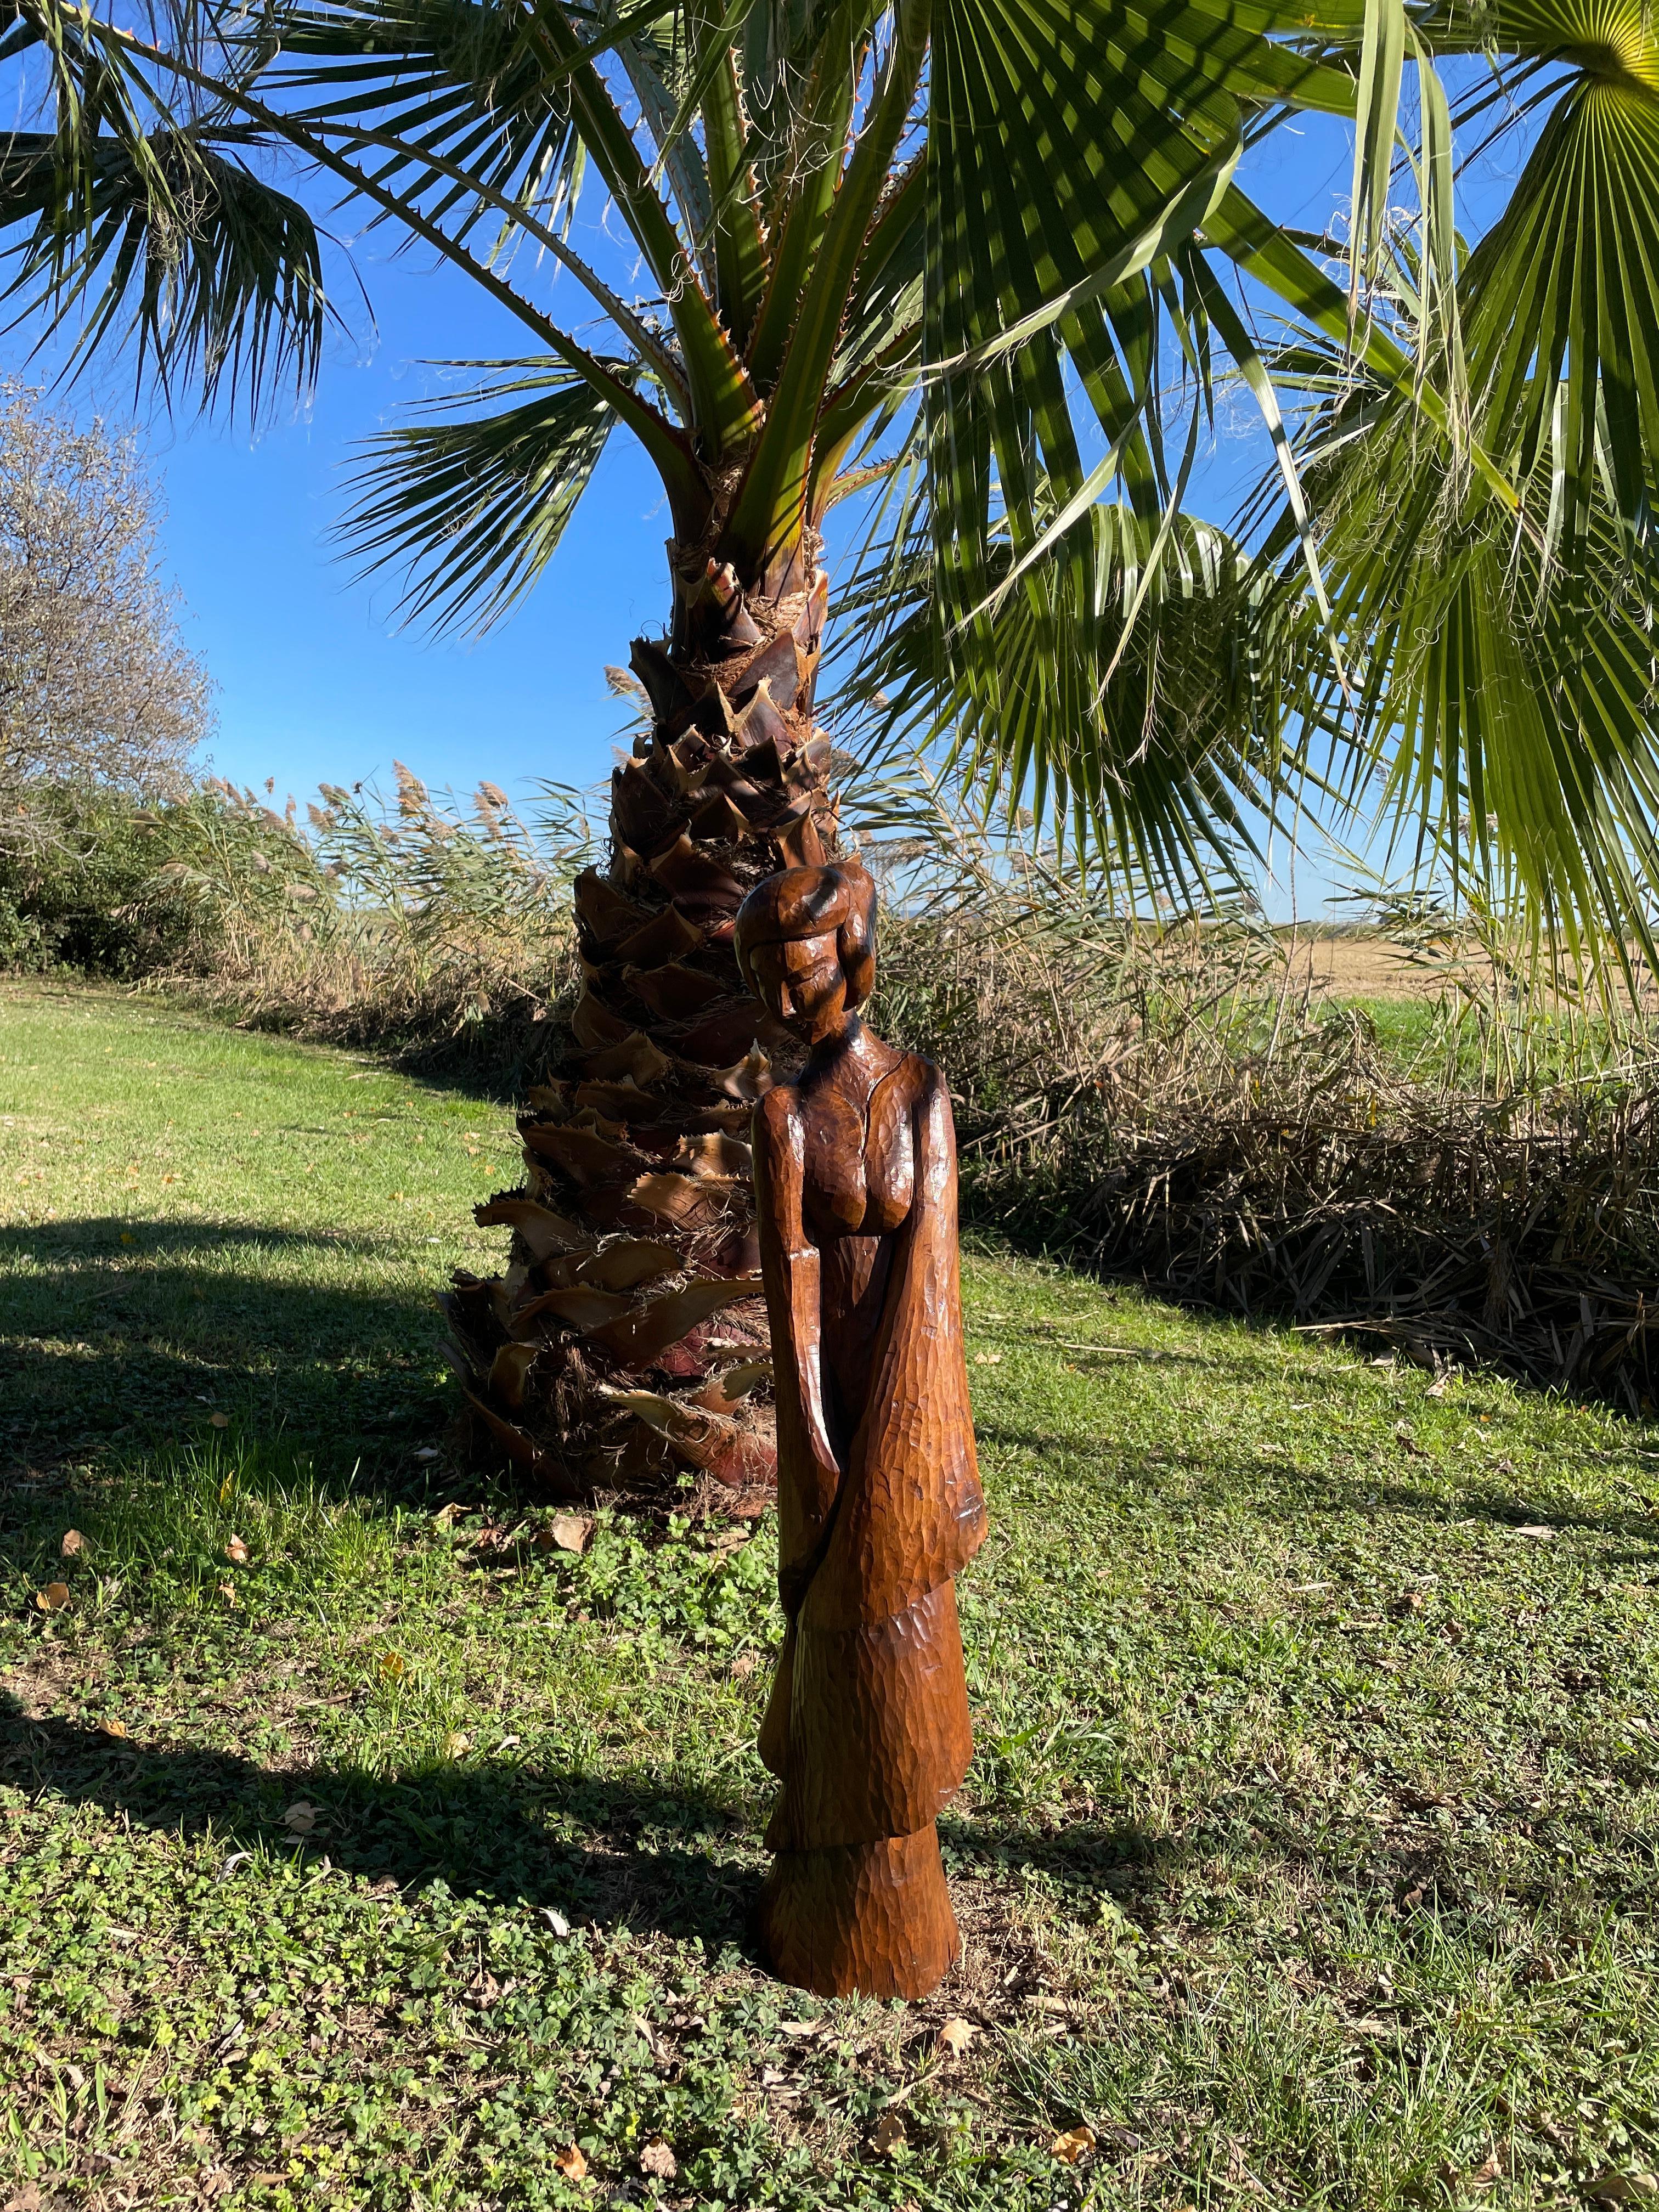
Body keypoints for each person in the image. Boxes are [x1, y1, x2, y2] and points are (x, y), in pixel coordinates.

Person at [734, 857, 986, 2000]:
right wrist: (821, 1450)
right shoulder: (783, 1116)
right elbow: (790, 1287)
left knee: (906, 1618)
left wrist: (926, 1446)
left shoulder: (922, 1093)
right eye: (768, 983)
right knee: (836, 1621)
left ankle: (897, 1907)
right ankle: (828, 1904)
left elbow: (937, 1277)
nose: (787, 1005)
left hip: (912, 1387)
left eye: (804, 975)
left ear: (855, 958)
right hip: (828, 1400)